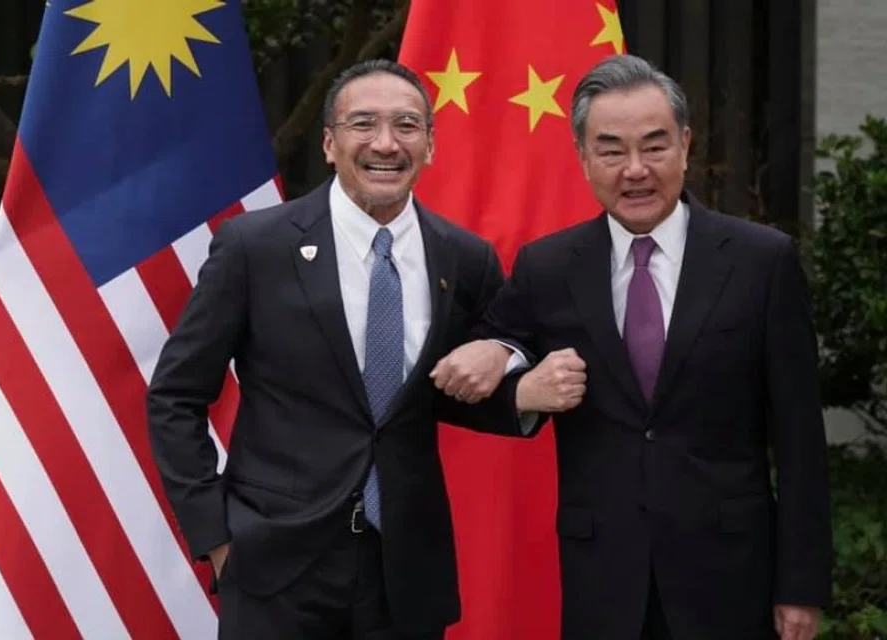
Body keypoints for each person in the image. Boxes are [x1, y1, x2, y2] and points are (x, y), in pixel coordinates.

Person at [436, 54, 833, 639]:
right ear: (582, 157)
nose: (636, 170)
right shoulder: (548, 266)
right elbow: (469, 379)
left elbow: (802, 440)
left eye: (655, 146)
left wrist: (801, 585)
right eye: (612, 150)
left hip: (730, 576)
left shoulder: (760, 262)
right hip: (604, 576)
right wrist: (521, 384)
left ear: (686, 145)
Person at [146, 59, 535, 640]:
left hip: (404, 575)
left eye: (406, 125)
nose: (385, 143)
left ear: (430, 145)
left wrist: (504, 352)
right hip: (275, 570)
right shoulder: (255, 248)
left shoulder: (465, 258)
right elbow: (175, 397)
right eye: (363, 124)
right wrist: (219, 538)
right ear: (329, 144)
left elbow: (497, 355)